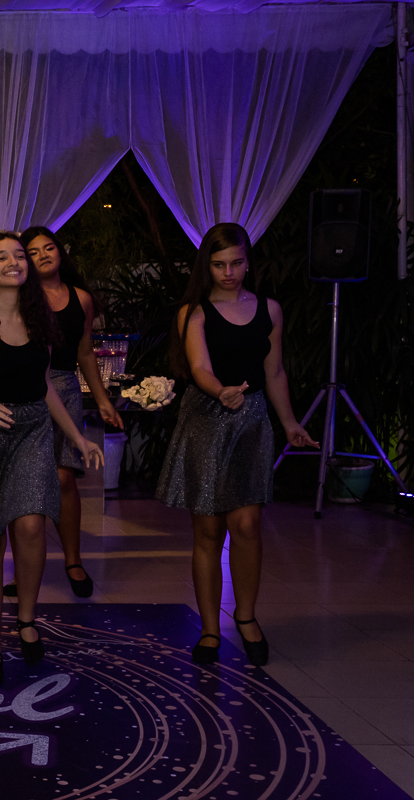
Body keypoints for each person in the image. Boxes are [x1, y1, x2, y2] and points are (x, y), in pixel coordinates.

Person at [0, 232, 102, 685]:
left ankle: (26, 618)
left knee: (30, 526)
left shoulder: (39, 320)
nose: (15, 262)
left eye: (19, 255)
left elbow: (43, 386)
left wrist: (78, 437)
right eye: (2, 256)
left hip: (32, 431)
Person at [157, 222, 316, 667]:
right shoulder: (194, 312)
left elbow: (275, 371)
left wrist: (289, 423)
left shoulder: (270, 309)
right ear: (206, 266)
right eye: (219, 264)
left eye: (237, 263)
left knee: (246, 524)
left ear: (249, 262)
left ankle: (245, 616)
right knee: (208, 529)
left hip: (251, 422)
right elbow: (199, 367)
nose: (229, 272)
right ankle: (210, 628)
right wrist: (220, 391)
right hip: (206, 419)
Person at [3, 227, 123, 600]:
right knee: (23, 484)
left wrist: (102, 400)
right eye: (33, 252)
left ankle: (74, 560)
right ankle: (23, 570)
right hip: (26, 388)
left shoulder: (81, 299)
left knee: (64, 479)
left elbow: (85, 352)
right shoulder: (20, 298)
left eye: (49, 248)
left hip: (66, 388)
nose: (43, 255)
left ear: (60, 252)